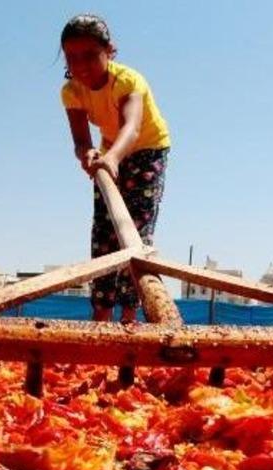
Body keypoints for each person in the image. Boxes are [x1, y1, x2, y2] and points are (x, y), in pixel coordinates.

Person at [59, 14, 171, 324]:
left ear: (110, 51)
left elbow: (132, 128)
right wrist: (89, 154)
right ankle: (101, 315)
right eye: (72, 57)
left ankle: (130, 317)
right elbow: (81, 140)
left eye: (90, 56)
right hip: (110, 153)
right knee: (104, 235)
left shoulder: (128, 81)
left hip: (147, 150)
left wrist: (112, 158)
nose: (81, 65)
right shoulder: (71, 92)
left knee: (136, 231)